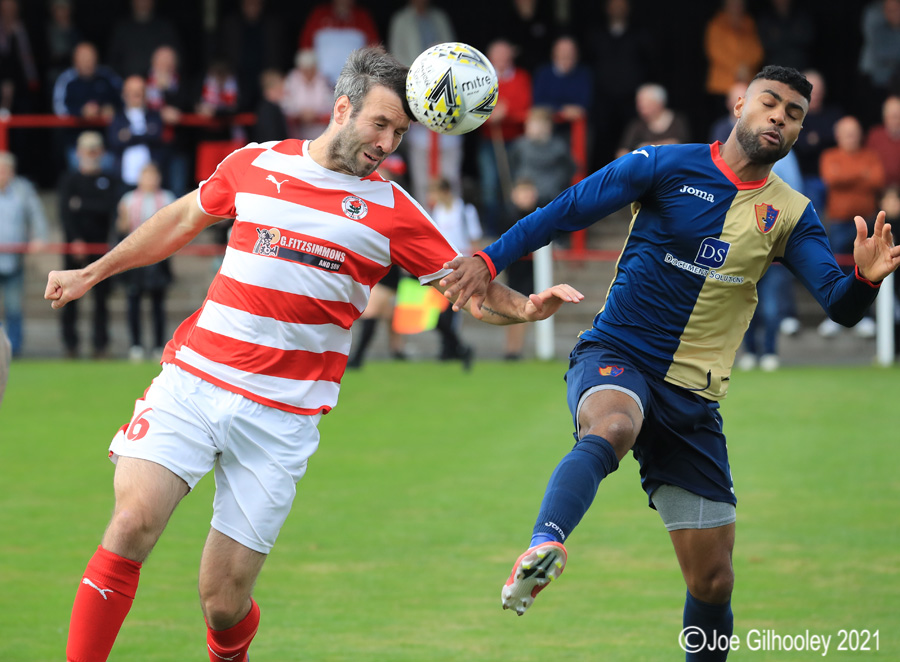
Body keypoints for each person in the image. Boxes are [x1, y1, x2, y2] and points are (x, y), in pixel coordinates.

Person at [44, 46, 582, 662]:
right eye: (380, 125)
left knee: (222, 600)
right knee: (131, 524)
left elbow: (470, 288)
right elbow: (181, 220)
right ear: (342, 108)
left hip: (282, 418)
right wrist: (94, 271)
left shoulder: (394, 210)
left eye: (400, 132)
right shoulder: (255, 163)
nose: (388, 142)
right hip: (195, 380)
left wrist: (525, 308)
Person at [439, 66, 900, 661]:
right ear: (740, 105)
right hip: (618, 355)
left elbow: (838, 304)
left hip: (693, 401)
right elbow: (568, 209)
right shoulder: (663, 164)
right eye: (770, 103)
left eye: (793, 114)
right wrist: (489, 257)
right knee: (612, 427)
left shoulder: (790, 212)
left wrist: (864, 278)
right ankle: (542, 546)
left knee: (713, 581)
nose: (779, 118)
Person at [817, 115, 885, 339]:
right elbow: (831, 178)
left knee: (866, 270)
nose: (851, 138)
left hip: (866, 221)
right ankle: (834, 315)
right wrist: (860, 175)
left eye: (854, 133)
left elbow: (877, 179)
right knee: (836, 269)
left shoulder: (870, 155)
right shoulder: (830, 155)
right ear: (838, 136)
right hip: (838, 222)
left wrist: (846, 176)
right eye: (846, 133)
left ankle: (864, 317)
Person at [57, 131, 120, 359]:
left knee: (102, 299)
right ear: (78, 152)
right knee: (68, 299)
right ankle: (70, 344)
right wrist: (75, 240)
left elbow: (109, 209)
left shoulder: (109, 180)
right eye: (87, 150)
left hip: (102, 249)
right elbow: (65, 213)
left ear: (101, 152)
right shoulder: (69, 180)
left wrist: (82, 204)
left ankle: (100, 345)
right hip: (74, 249)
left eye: (95, 150)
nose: (91, 154)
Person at [115, 162, 175, 362]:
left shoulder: (167, 198)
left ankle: (159, 344)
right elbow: (122, 229)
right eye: (146, 176)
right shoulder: (129, 199)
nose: (149, 180)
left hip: (160, 258)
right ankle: (136, 344)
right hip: (135, 258)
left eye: (153, 175)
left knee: (158, 304)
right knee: (134, 302)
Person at [427, 177, 482, 368]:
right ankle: (456, 350)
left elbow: (474, 239)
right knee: (440, 315)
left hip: (462, 268)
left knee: (450, 313)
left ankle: (453, 350)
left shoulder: (465, 211)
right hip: (442, 268)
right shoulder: (437, 211)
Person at [0, 151, 48, 357]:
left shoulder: (22, 190)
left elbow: (36, 215)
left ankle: (14, 351)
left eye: (6, 170)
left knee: (14, 307)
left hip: (14, 259)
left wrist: (40, 237)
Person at [298, 0, 379, 86]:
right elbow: (305, 50)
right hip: (321, 84)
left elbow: (376, 50)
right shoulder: (318, 14)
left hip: (355, 82)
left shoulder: (362, 16)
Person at [106, 75, 166, 188]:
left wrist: (129, 135)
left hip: (151, 180)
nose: (136, 95)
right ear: (124, 94)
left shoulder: (154, 116)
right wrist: (144, 133)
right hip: (123, 178)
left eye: (140, 91)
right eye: (132, 91)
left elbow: (157, 137)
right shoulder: (117, 118)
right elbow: (114, 142)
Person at [107, 0, 181, 79]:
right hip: (129, 84)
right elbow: (113, 61)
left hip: (159, 84)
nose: (143, 2)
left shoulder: (165, 28)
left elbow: (175, 59)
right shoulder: (122, 28)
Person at [616, 83, 690, 158]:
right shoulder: (636, 125)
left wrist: (647, 147)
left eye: (646, 103)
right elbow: (623, 151)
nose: (640, 107)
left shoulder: (677, 121)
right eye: (639, 103)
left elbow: (684, 146)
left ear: (659, 103)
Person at [281, 49, 333, 140]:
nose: (308, 72)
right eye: (305, 69)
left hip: (321, 133)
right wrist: (299, 113)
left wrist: (315, 113)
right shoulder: (291, 79)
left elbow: (332, 103)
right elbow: (284, 103)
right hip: (296, 133)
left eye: (311, 69)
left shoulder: (324, 80)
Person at [865, 95, 900, 190]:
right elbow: (867, 162)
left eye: (898, 116)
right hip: (878, 190)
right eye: (892, 116)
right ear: (885, 117)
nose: (896, 120)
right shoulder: (875, 136)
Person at [252, 69, 288, 144]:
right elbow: (271, 139)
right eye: (279, 88)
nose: (283, 91)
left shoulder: (271, 108)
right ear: (270, 90)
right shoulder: (268, 111)